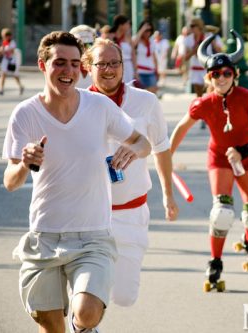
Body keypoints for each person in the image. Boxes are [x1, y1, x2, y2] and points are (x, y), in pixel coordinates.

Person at [2, 31, 151, 333]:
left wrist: (132, 150)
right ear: (43, 65)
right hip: (45, 235)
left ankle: (81, 327)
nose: (68, 71)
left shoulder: (99, 106)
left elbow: (143, 143)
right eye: (59, 63)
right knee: (49, 325)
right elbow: (10, 181)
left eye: (73, 64)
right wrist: (26, 163)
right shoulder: (25, 114)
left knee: (87, 311)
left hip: (92, 236)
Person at [169, 31, 248, 288]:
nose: (222, 78)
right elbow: (181, 128)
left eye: (227, 73)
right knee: (222, 212)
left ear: (235, 75)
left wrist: (246, 150)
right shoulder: (204, 103)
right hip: (219, 158)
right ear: (209, 77)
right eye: (216, 74)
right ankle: (215, 261)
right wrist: (166, 156)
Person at [82, 38, 179, 307]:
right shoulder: (78, 104)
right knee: (86, 291)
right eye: (102, 64)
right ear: (88, 67)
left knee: (124, 297)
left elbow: (161, 148)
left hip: (131, 213)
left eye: (115, 63)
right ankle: (84, 324)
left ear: (124, 66)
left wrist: (168, 196)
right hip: (88, 215)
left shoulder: (146, 102)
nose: (109, 69)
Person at [133, 20, 159, 94]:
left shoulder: (151, 41)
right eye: (146, 30)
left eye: (150, 30)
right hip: (140, 72)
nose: (148, 32)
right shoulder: (137, 39)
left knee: (153, 95)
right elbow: (133, 45)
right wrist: (142, 30)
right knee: (141, 95)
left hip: (151, 72)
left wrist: (157, 70)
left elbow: (154, 56)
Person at [0, 28, 24, 95]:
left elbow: (12, 50)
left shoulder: (12, 42)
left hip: (12, 60)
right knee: (3, 74)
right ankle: (1, 89)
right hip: (5, 60)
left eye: (6, 36)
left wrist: (4, 50)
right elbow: (1, 50)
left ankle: (21, 86)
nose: (5, 37)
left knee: (15, 75)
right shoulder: (4, 42)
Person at [110, 15, 136, 83]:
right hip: (114, 66)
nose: (129, 26)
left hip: (128, 66)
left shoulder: (128, 37)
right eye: (127, 24)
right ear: (121, 25)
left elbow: (133, 55)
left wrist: (135, 70)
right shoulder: (110, 36)